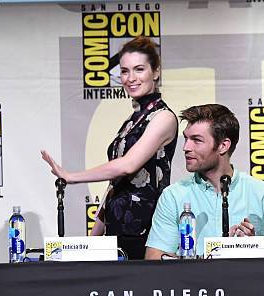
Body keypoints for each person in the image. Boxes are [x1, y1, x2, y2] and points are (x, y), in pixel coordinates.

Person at [41, 36, 178, 259]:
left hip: (149, 232)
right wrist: (92, 241)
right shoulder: (131, 121)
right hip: (117, 231)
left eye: (139, 69)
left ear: (156, 72)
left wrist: (71, 176)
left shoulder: (163, 118)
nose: (130, 78)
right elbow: (115, 185)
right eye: (124, 71)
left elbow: (127, 165)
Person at [145, 104, 264, 259]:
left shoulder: (261, 193)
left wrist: (253, 247)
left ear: (223, 145)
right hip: (194, 283)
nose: (186, 147)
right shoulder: (173, 196)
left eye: (196, 140)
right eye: (186, 138)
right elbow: (154, 258)